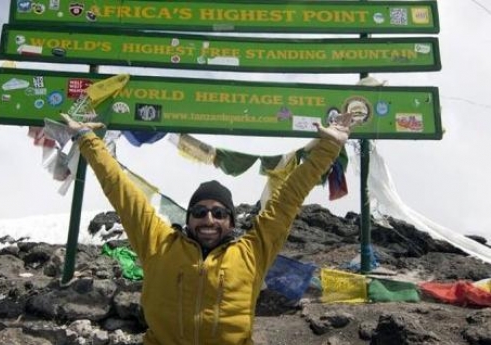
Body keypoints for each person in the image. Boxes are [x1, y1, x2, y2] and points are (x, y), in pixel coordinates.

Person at [61, 113, 353, 345]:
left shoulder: (253, 251)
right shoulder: (159, 244)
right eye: (199, 212)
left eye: (218, 213)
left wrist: (329, 147)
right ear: (189, 218)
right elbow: (122, 192)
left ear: (230, 220)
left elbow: (289, 198)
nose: (209, 220)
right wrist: (88, 139)